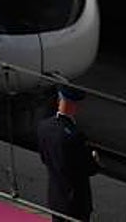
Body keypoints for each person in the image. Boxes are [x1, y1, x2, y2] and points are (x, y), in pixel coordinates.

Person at [37, 83, 99, 221]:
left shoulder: (44, 127)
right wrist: (94, 159)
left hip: (56, 197)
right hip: (76, 202)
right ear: (75, 105)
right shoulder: (76, 136)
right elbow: (88, 169)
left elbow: (44, 158)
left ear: (59, 99)